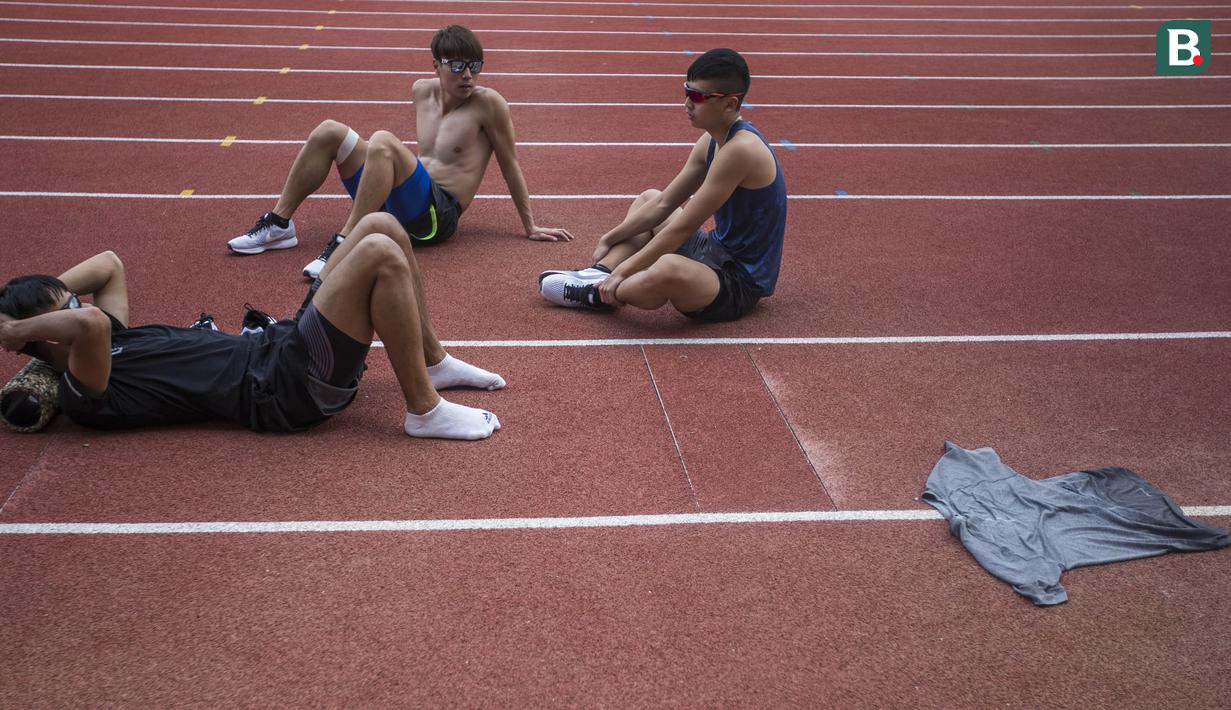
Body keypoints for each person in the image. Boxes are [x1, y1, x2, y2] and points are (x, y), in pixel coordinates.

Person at [0, 213, 504, 440]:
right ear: (47, 334)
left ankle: (431, 364)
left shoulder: (109, 336)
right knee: (378, 253)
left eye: (68, 300)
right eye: (62, 309)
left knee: (383, 225)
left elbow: (108, 264)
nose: (78, 303)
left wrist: (29, 315)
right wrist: (16, 332)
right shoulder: (85, 386)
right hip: (284, 391)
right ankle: (424, 411)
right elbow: (85, 321)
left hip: (281, 349)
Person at [227, 24, 574, 279]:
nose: (467, 75)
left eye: (475, 66)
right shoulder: (421, 91)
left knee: (383, 141)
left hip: (437, 217)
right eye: (457, 65)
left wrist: (530, 225)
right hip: (402, 201)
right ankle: (279, 225)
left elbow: (510, 163)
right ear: (435, 65)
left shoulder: (489, 105)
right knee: (329, 131)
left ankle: (345, 241)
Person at [538, 49, 786, 322]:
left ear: (729, 104)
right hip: (714, 250)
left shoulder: (742, 150)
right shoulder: (712, 140)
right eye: (686, 91)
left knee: (668, 267)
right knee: (649, 198)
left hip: (739, 280)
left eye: (698, 97)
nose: (687, 103)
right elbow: (665, 203)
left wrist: (626, 270)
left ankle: (600, 294)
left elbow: (684, 227)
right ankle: (600, 273)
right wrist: (611, 237)